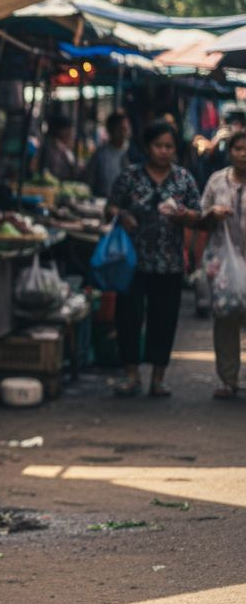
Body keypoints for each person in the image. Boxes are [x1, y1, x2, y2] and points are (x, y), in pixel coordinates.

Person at [107, 122, 203, 397]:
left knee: (164, 319)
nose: (164, 151)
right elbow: (110, 206)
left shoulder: (183, 179)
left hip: (169, 262)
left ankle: (159, 378)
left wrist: (184, 216)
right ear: (148, 147)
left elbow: (198, 216)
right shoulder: (130, 176)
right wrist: (121, 215)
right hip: (132, 261)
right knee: (128, 317)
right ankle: (131, 375)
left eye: (169, 146)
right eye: (159, 146)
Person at [198, 131, 246, 399]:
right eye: (238, 149)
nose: (243, 154)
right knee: (225, 321)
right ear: (231, 152)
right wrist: (212, 215)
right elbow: (199, 218)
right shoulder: (218, 182)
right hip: (224, 264)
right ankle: (228, 380)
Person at [84, 111, 133, 198]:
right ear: (110, 130)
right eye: (119, 129)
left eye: (125, 129)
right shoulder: (100, 154)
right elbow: (89, 181)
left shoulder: (134, 153)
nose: (123, 133)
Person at [38, 114, 79, 181]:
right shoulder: (50, 148)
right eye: (70, 132)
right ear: (62, 131)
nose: (72, 136)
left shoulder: (65, 150)